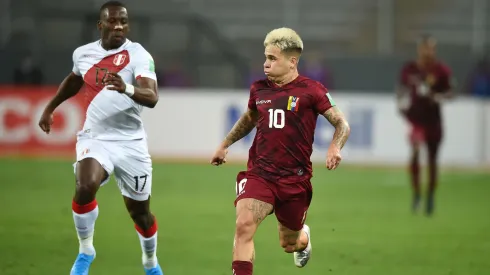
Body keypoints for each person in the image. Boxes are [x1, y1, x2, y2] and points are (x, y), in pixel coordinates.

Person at [210, 27, 350, 275]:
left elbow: (341, 123)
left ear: (292, 61)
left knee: (289, 243)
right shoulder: (259, 89)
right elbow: (250, 118)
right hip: (260, 174)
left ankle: (303, 238)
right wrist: (224, 145)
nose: (266, 64)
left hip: (294, 181)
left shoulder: (313, 90)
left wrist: (334, 147)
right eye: (266, 57)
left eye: (272, 59)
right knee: (243, 226)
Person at [37, 1, 163, 274]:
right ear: (101, 24)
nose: (119, 26)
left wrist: (126, 87)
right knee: (85, 186)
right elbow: (74, 79)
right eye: (113, 21)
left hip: (131, 143)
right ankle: (86, 250)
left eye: (124, 22)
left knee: (141, 215)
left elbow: (152, 97)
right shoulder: (83, 54)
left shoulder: (138, 54)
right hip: (96, 138)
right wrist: (50, 107)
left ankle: (150, 261)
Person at [397, 34, 453, 216]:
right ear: (420, 49)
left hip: (433, 121)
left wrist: (438, 97)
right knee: (414, 151)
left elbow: (451, 92)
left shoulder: (441, 70)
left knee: (432, 159)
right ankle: (416, 193)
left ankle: (430, 195)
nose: (429, 52)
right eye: (426, 48)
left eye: (432, 48)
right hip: (416, 120)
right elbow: (401, 89)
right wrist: (400, 103)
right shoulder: (410, 69)